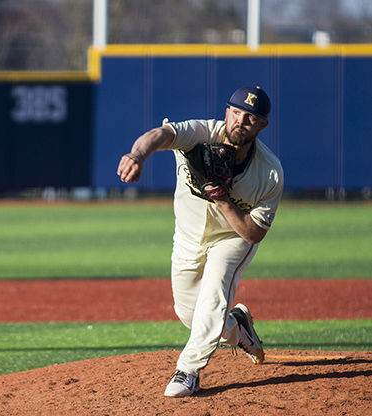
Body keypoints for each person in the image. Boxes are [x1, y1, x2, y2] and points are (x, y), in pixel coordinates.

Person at [117, 86, 283, 397]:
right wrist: (136, 155)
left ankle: (188, 371)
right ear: (227, 112)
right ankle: (237, 327)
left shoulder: (270, 172)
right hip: (188, 236)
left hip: (232, 237)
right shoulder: (200, 133)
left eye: (251, 118)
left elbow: (253, 233)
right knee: (189, 314)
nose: (241, 121)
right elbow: (160, 134)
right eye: (237, 112)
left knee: (214, 293)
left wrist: (222, 200)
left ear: (262, 125)